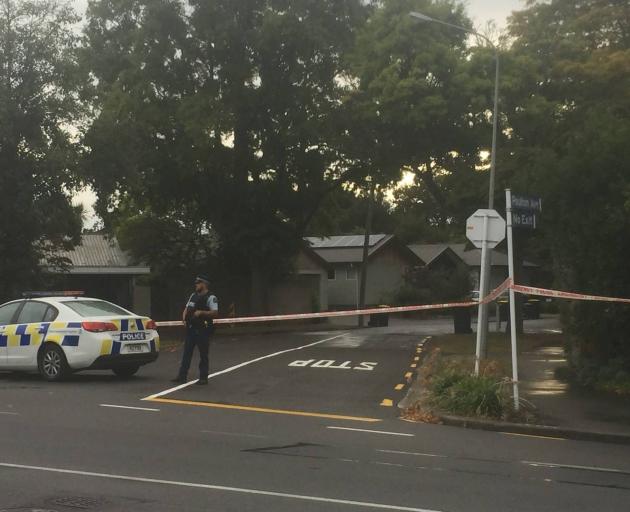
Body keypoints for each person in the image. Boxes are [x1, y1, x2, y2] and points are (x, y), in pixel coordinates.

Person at [171, 275, 219, 385]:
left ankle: (203, 377)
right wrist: (184, 317)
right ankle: (182, 376)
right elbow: (187, 308)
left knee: (203, 354)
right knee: (186, 354)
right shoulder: (193, 295)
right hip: (191, 329)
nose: (196, 285)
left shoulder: (211, 297)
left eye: (198, 283)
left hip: (203, 329)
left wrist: (202, 312)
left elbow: (215, 313)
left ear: (204, 284)